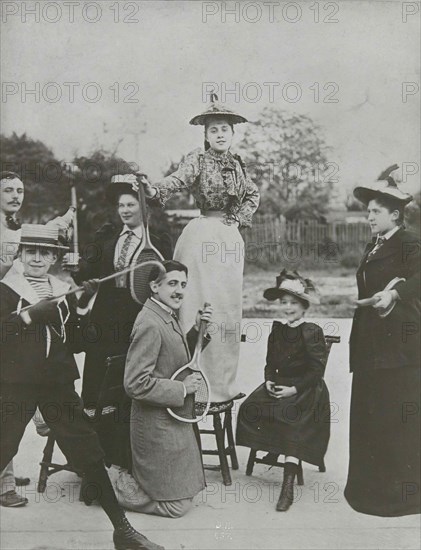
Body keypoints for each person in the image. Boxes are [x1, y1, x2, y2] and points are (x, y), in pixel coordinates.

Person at [0, 223, 164, 550]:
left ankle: (123, 530)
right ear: (20, 254)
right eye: (30, 251)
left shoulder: (62, 289)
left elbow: (76, 343)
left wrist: (85, 304)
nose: (36, 258)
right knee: (3, 446)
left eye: (44, 252)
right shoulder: (6, 290)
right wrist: (30, 317)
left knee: (89, 451)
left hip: (57, 384)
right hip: (15, 384)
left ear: (54, 257)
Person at [140, 95, 260, 403]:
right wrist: (155, 189)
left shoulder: (238, 163)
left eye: (224, 129)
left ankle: (221, 384)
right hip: (202, 235)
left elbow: (252, 194)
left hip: (229, 238)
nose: (220, 135)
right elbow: (179, 179)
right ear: (205, 135)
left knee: (226, 308)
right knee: (196, 302)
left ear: (233, 134)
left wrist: (238, 219)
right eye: (214, 130)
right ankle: (190, 378)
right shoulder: (197, 159)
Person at [63, 174, 171, 469]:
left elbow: (167, 282)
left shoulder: (159, 242)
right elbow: (86, 275)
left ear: (143, 207)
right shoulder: (107, 238)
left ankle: (128, 458)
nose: (124, 210)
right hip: (104, 319)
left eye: (131, 204)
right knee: (98, 383)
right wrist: (75, 268)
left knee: (129, 384)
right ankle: (93, 460)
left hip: (138, 319)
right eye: (121, 205)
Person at [108, 260, 212, 518]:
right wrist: (182, 388)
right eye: (172, 283)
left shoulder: (164, 313)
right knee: (177, 507)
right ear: (154, 286)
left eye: (183, 285)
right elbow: (135, 384)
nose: (179, 291)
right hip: (155, 425)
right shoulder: (150, 323)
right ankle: (105, 485)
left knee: (186, 493)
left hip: (170, 418)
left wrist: (198, 330)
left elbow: (174, 360)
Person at [345, 165, 420, 517]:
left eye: (376, 211)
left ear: (395, 214)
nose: (369, 215)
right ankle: (368, 492)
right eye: (368, 210)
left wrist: (397, 294)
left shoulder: (408, 241)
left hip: (398, 346)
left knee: (395, 419)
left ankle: (399, 498)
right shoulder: (376, 243)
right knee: (371, 415)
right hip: (371, 344)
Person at [236, 270, 330, 512]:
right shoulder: (278, 330)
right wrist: (268, 380)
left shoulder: (311, 331)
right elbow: (270, 362)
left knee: (291, 418)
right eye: (284, 303)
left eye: (294, 303)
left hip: (305, 388)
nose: (288, 308)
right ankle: (274, 447)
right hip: (281, 382)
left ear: (304, 306)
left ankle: (287, 485)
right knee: (250, 407)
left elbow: (316, 371)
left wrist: (293, 389)